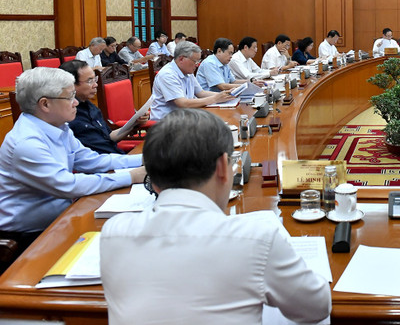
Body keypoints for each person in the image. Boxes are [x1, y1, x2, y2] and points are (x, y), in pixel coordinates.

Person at [100, 109, 331, 324]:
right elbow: (316, 307)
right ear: (222, 166)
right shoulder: (257, 239)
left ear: (154, 178)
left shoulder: (113, 233)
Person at [0, 67, 145, 263]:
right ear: (45, 104)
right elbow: (67, 185)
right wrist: (131, 176)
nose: (76, 103)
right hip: (27, 238)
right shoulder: (26, 142)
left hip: (62, 219)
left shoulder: (59, 126)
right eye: (69, 97)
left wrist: (145, 159)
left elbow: (94, 160)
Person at [60, 60, 148, 154]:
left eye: (95, 79)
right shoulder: (69, 116)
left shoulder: (89, 106)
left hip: (115, 157)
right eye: (90, 81)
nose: (96, 85)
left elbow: (109, 136)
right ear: (71, 85)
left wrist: (134, 123)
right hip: (104, 164)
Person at [150, 41, 233, 121]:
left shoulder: (188, 72)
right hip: (166, 124)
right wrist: (215, 99)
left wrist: (225, 95)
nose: (197, 64)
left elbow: (201, 93)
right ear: (181, 59)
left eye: (198, 61)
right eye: (195, 61)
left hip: (184, 118)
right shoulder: (167, 74)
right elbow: (183, 103)